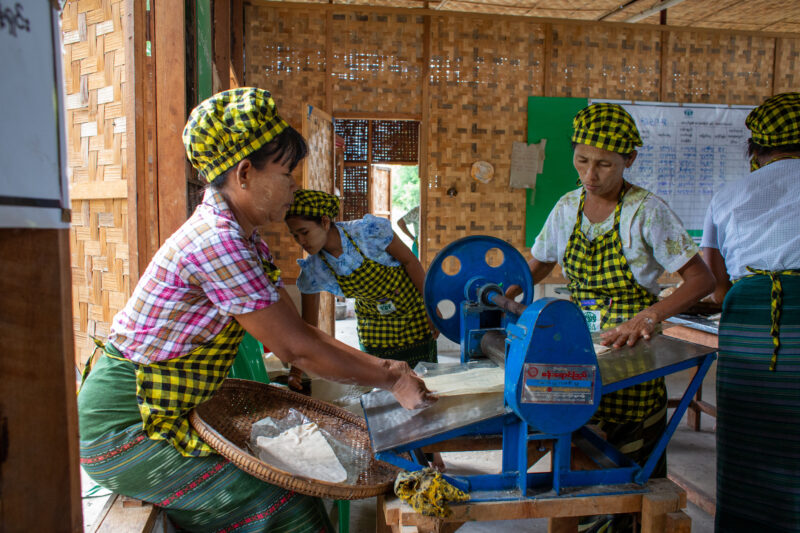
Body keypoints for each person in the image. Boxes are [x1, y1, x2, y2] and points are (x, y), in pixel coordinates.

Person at [76, 88, 434, 533]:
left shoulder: (241, 237)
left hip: (165, 409)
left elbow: (298, 332)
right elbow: (296, 350)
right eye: (286, 174)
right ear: (245, 173)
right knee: (283, 505)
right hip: (128, 428)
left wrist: (391, 370)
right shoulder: (219, 241)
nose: (293, 188)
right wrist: (391, 376)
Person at [510, 103, 714, 531]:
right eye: (582, 161)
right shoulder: (567, 207)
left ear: (629, 160)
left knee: (628, 462)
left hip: (630, 349)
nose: (590, 174)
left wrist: (648, 317)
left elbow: (701, 279)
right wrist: (513, 289)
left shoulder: (647, 212)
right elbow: (542, 261)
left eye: (604, 164)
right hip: (578, 343)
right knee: (577, 444)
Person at [700, 92, 800, 533]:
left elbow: (714, 277)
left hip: (750, 318)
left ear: (755, 148)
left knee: (750, 433)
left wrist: (728, 293)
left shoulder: (729, 193)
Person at [284, 191, 438, 388]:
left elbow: (410, 262)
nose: (301, 242)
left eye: (304, 232)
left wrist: (429, 307)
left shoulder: (367, 233)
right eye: (295, 235)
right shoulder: (314, 270)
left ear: (324, 222)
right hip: (373, 325)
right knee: (383, 387)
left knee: (423, 382)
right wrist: (296, 369)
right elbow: (308, 326)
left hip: (412, 314)